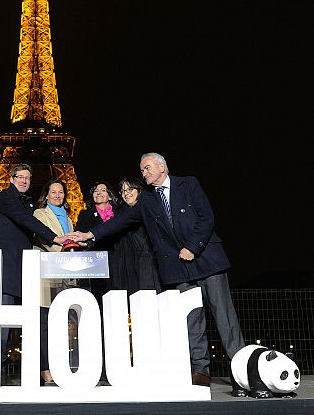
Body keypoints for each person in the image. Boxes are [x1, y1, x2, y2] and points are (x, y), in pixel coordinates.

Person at [67, 153, 246, 394]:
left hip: (206, 259)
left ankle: (241, 372)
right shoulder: (148, 200)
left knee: (224, 317)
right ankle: (200, 371)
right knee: (192, 321)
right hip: (179, 267)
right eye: (142, 170)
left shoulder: (188, 183)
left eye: (147, 168)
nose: (144, 173)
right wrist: (89, 234)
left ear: (162, 167)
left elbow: (207, 217)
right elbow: (120, 222)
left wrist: (193, 247)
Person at [0, 164, 69, 381]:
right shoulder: (6, 197)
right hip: (7, 269)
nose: (24, 181)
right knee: (3, 322)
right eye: (20, 177)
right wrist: (54, 237)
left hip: (26, 270)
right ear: (11, 178)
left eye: (28, 178)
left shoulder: (28, 203)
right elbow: (28, 221)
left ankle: (37, 371)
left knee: (32, 323)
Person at [32, 178, 75, 385]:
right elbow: (44, 238)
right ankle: (45, 369)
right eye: (54, 192)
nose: (58, 195)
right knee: (45, 325)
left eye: (61, 192)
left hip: (65, 276)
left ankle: (60, 367)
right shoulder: (40, 214)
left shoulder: (68, 217)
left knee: (60, 325)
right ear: (46, 195)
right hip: (48, 275)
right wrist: (67, 252)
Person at [114, 177, 162, 295]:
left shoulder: (151, 208)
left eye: (130, 189)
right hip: (131, 266)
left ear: (139, 190)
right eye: (123, 191)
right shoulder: (120, 214)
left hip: (152, 263)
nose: (126, 193)